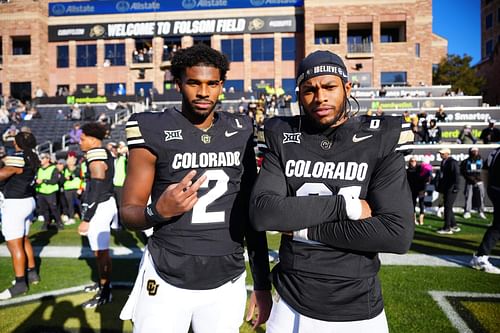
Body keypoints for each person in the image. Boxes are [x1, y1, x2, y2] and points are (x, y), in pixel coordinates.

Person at [249, 50, 414, 332]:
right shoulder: (282, 135)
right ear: (299, 95)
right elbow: (263, 213)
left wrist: (305, 231)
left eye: (329, 87)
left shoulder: (380, 137)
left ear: (347, 88)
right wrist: (345, 207)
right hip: (290, 299)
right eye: (310, 90)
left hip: (358, 303)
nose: (320, 97)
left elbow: (396, 234)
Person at [119, 43, 272, 332]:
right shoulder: (151, 127)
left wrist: (262, 283)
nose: (204, 92)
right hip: (167, 273)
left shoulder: (240, 129)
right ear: (178, 83)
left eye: (212, 84)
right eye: (194, 83)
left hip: (226, 276)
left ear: (221, 85)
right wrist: (157, 211)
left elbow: (252, 213)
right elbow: (128, 213)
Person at [78, 122, 118, 308]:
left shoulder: (96, 154)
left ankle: (105, 291)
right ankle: (103, 284)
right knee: (99, 251)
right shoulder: (102, 152)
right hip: (103, 203)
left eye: (83, 138)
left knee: (100, 252)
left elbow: (97, 184)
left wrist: (87, 218)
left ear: (93, 140)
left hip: (100, 205)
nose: (80, 141)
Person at [0, 132, 41, 300]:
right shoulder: (33, 156)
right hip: (27, 200)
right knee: (23, 239)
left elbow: (3, 174)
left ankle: (20, 283)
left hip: (15, 203)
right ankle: (32, 273)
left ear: (17, 144)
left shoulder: (18, 157)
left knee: (14, 244)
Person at [470, 147, 500, 274]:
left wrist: (489, 189)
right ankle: (481, 256)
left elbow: (484, 171)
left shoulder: (495, 151)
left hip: (495, 190)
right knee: (498, 226)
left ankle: (481, 255)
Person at [36, 153, 64, 231]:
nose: (41, 160)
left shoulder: (53, 168)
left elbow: (54, 180)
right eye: (40, 158)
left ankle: (59, 223)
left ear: (48, 159)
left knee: (54, 208)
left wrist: (44, 180)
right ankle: (46, 223)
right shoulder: (39, 169)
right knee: (44, 209)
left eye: (43, 158)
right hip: (41, 191)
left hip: (50, 192)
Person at [436, 148, 461, 234]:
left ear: (447, 153)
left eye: (442, 153)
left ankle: (447, 227)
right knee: (448, 207)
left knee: (447, 207)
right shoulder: (444, 162)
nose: (441, 155)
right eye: (440, 153)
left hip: (452, 188)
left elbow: (457, 175)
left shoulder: (452, 162)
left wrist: (456, 187)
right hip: (446, 188)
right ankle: (454, 225)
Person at [460, 147, 487, 219]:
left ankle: (481, 211)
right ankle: (467, 211)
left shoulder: (482, 160)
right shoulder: (466, 161)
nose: (475, 152)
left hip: (480, 181)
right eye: (473, 151)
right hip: (469, 181)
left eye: (476, 151)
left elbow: (485, 171)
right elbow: (463, 171)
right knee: (468, 196)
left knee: (481, 196)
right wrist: (471, 179)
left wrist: (479, 179)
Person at [407, 156, 432, 225]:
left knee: (421, 204)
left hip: (421, 189)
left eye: (415, 161)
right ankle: (414, 219)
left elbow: (426, 177)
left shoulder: (420, 168)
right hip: (412, 189)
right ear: (409, 162)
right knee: (413, 204)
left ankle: (421, 219)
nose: (413, 162)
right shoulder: (407, 171)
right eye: (412, 161)